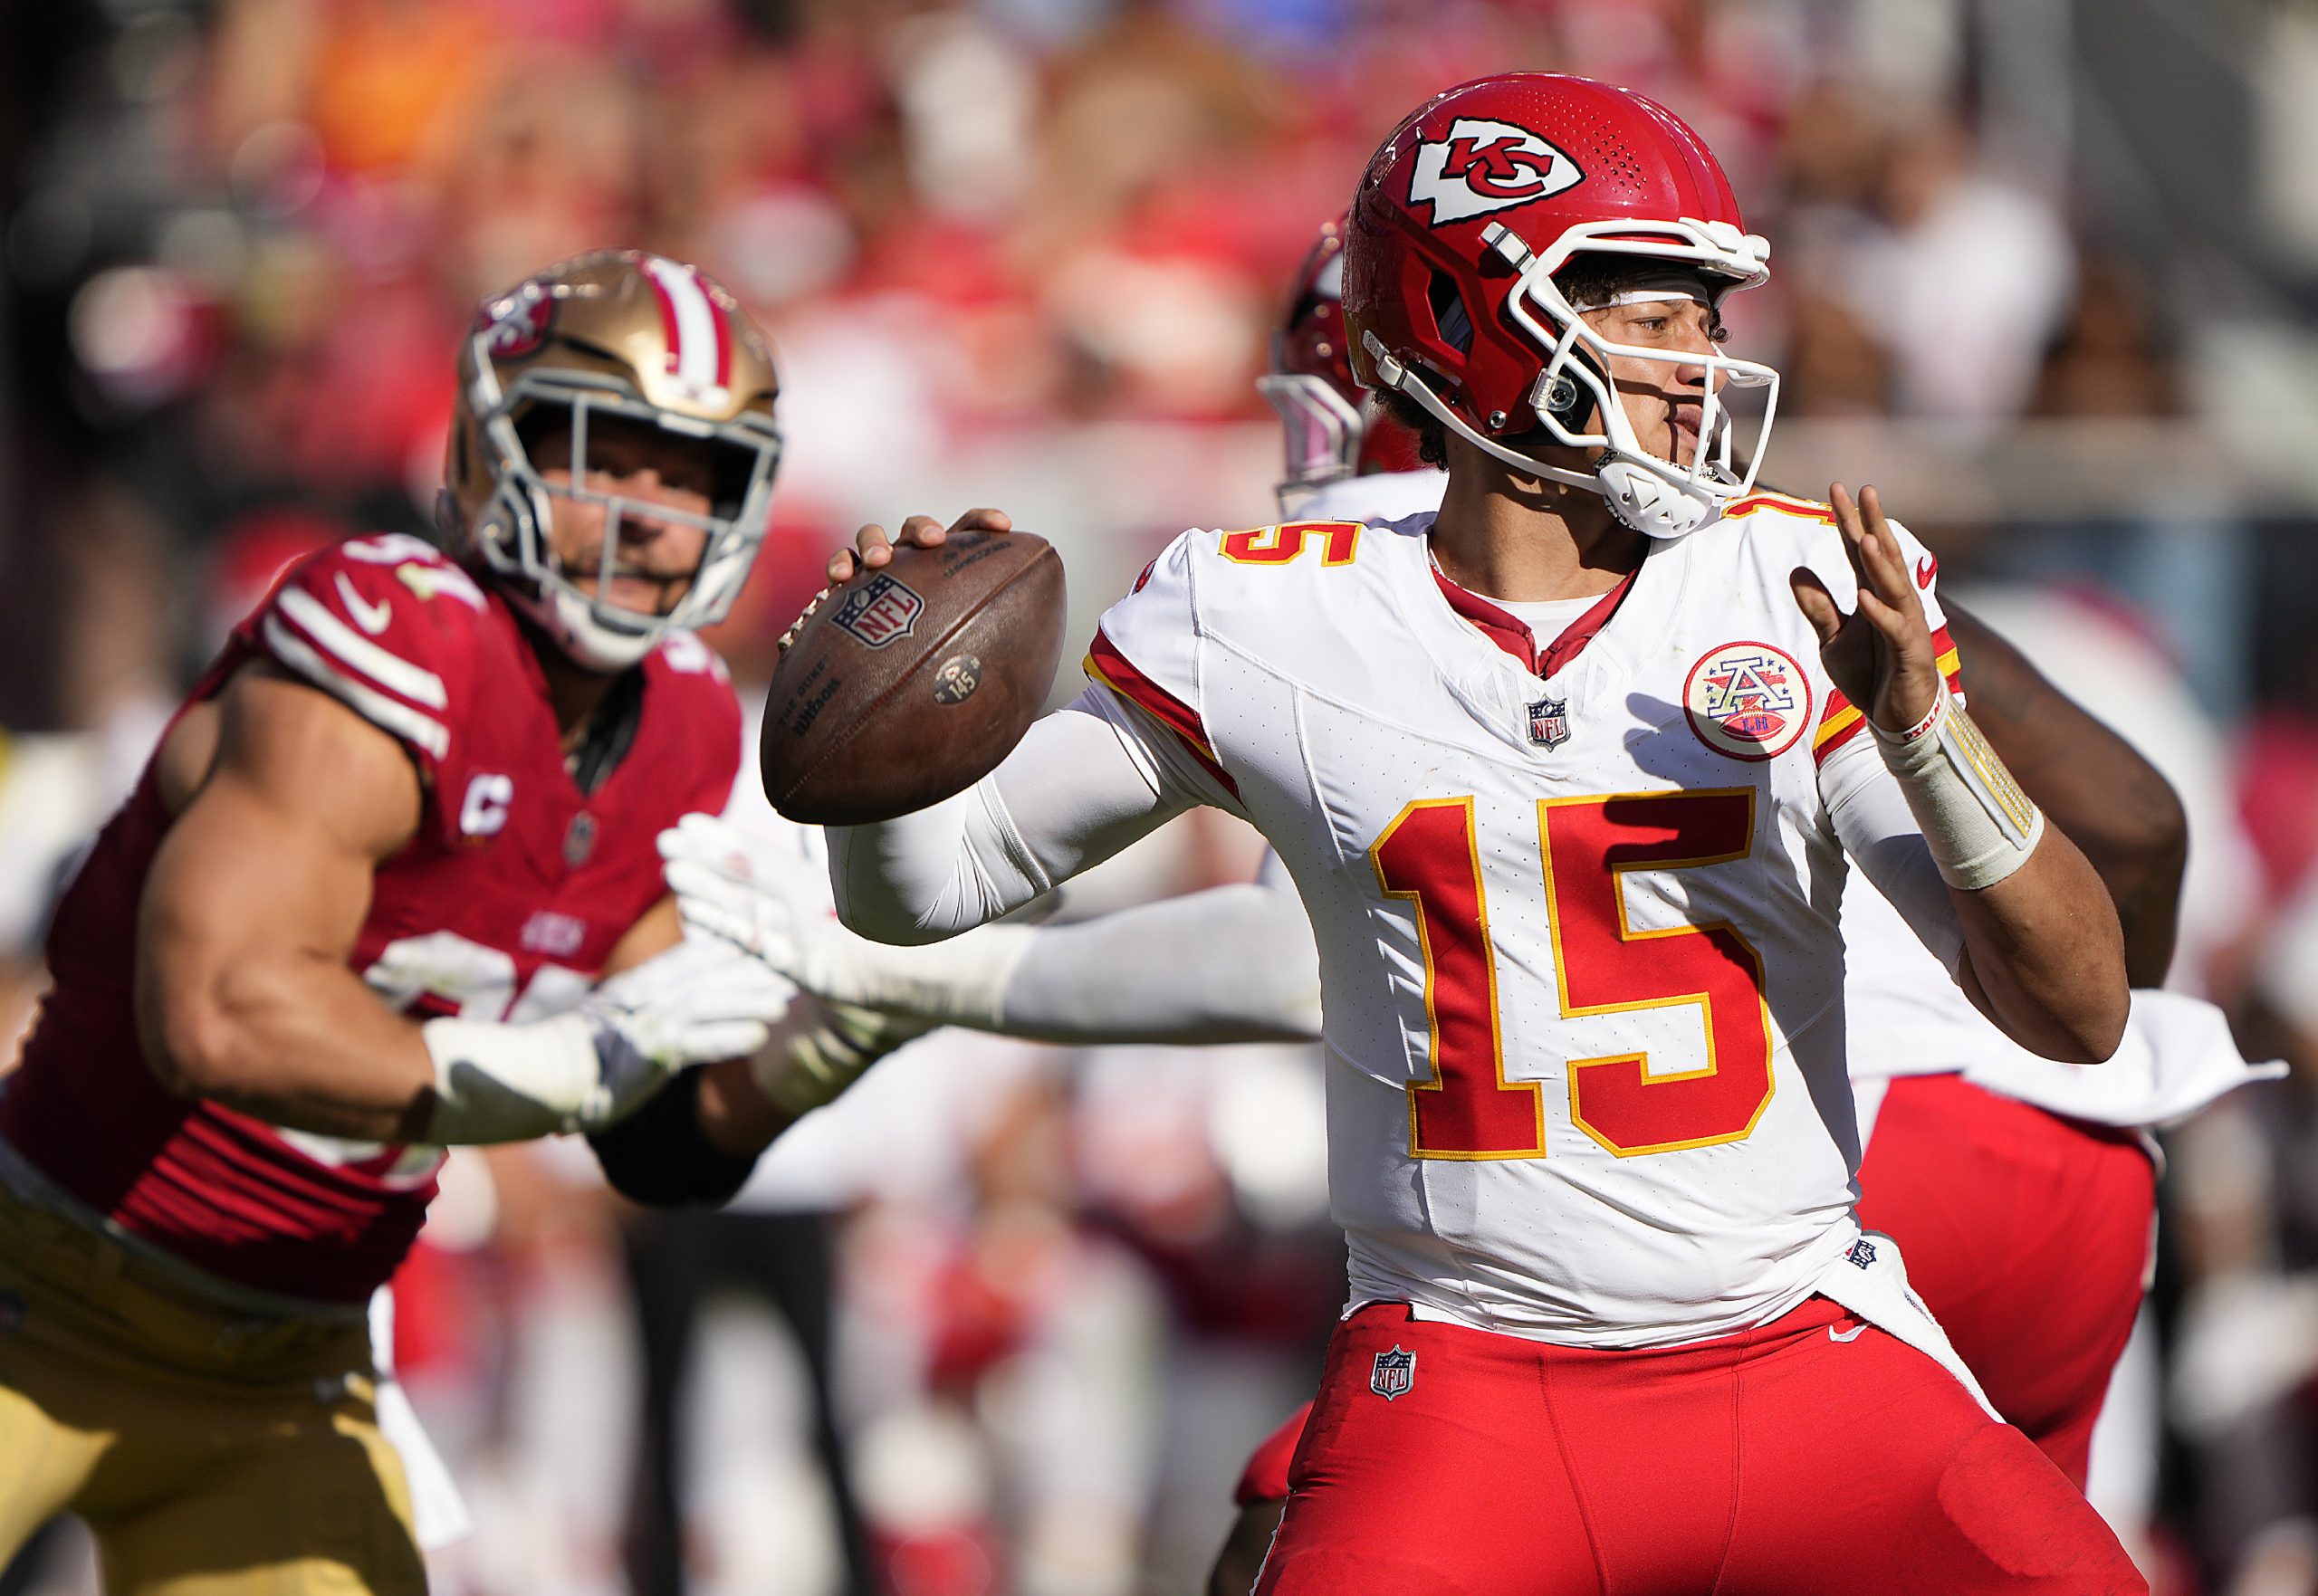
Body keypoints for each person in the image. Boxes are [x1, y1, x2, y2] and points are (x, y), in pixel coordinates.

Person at [762, 73, 2150, 1593]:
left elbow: (2078, 1012)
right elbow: (932, 889)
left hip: (1802, 1346)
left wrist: (1926, 735)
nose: (1703, 365)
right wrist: (866, 738)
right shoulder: (1266, 608)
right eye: (1655, 314)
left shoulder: (1788, 583)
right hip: (1473, 1385)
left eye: (1708, 318)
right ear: (1476, 321)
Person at [0, 249, 832, 1596]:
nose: (652, 513)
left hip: (289, 1363)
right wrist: (556, 1073)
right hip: (43, 1287)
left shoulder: (683, 724)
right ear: (494, 444)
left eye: (693, 476)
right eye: (606, 453)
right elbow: (217, 1014)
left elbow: (662, 1142)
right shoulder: (395, 633)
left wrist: (828, 1040)